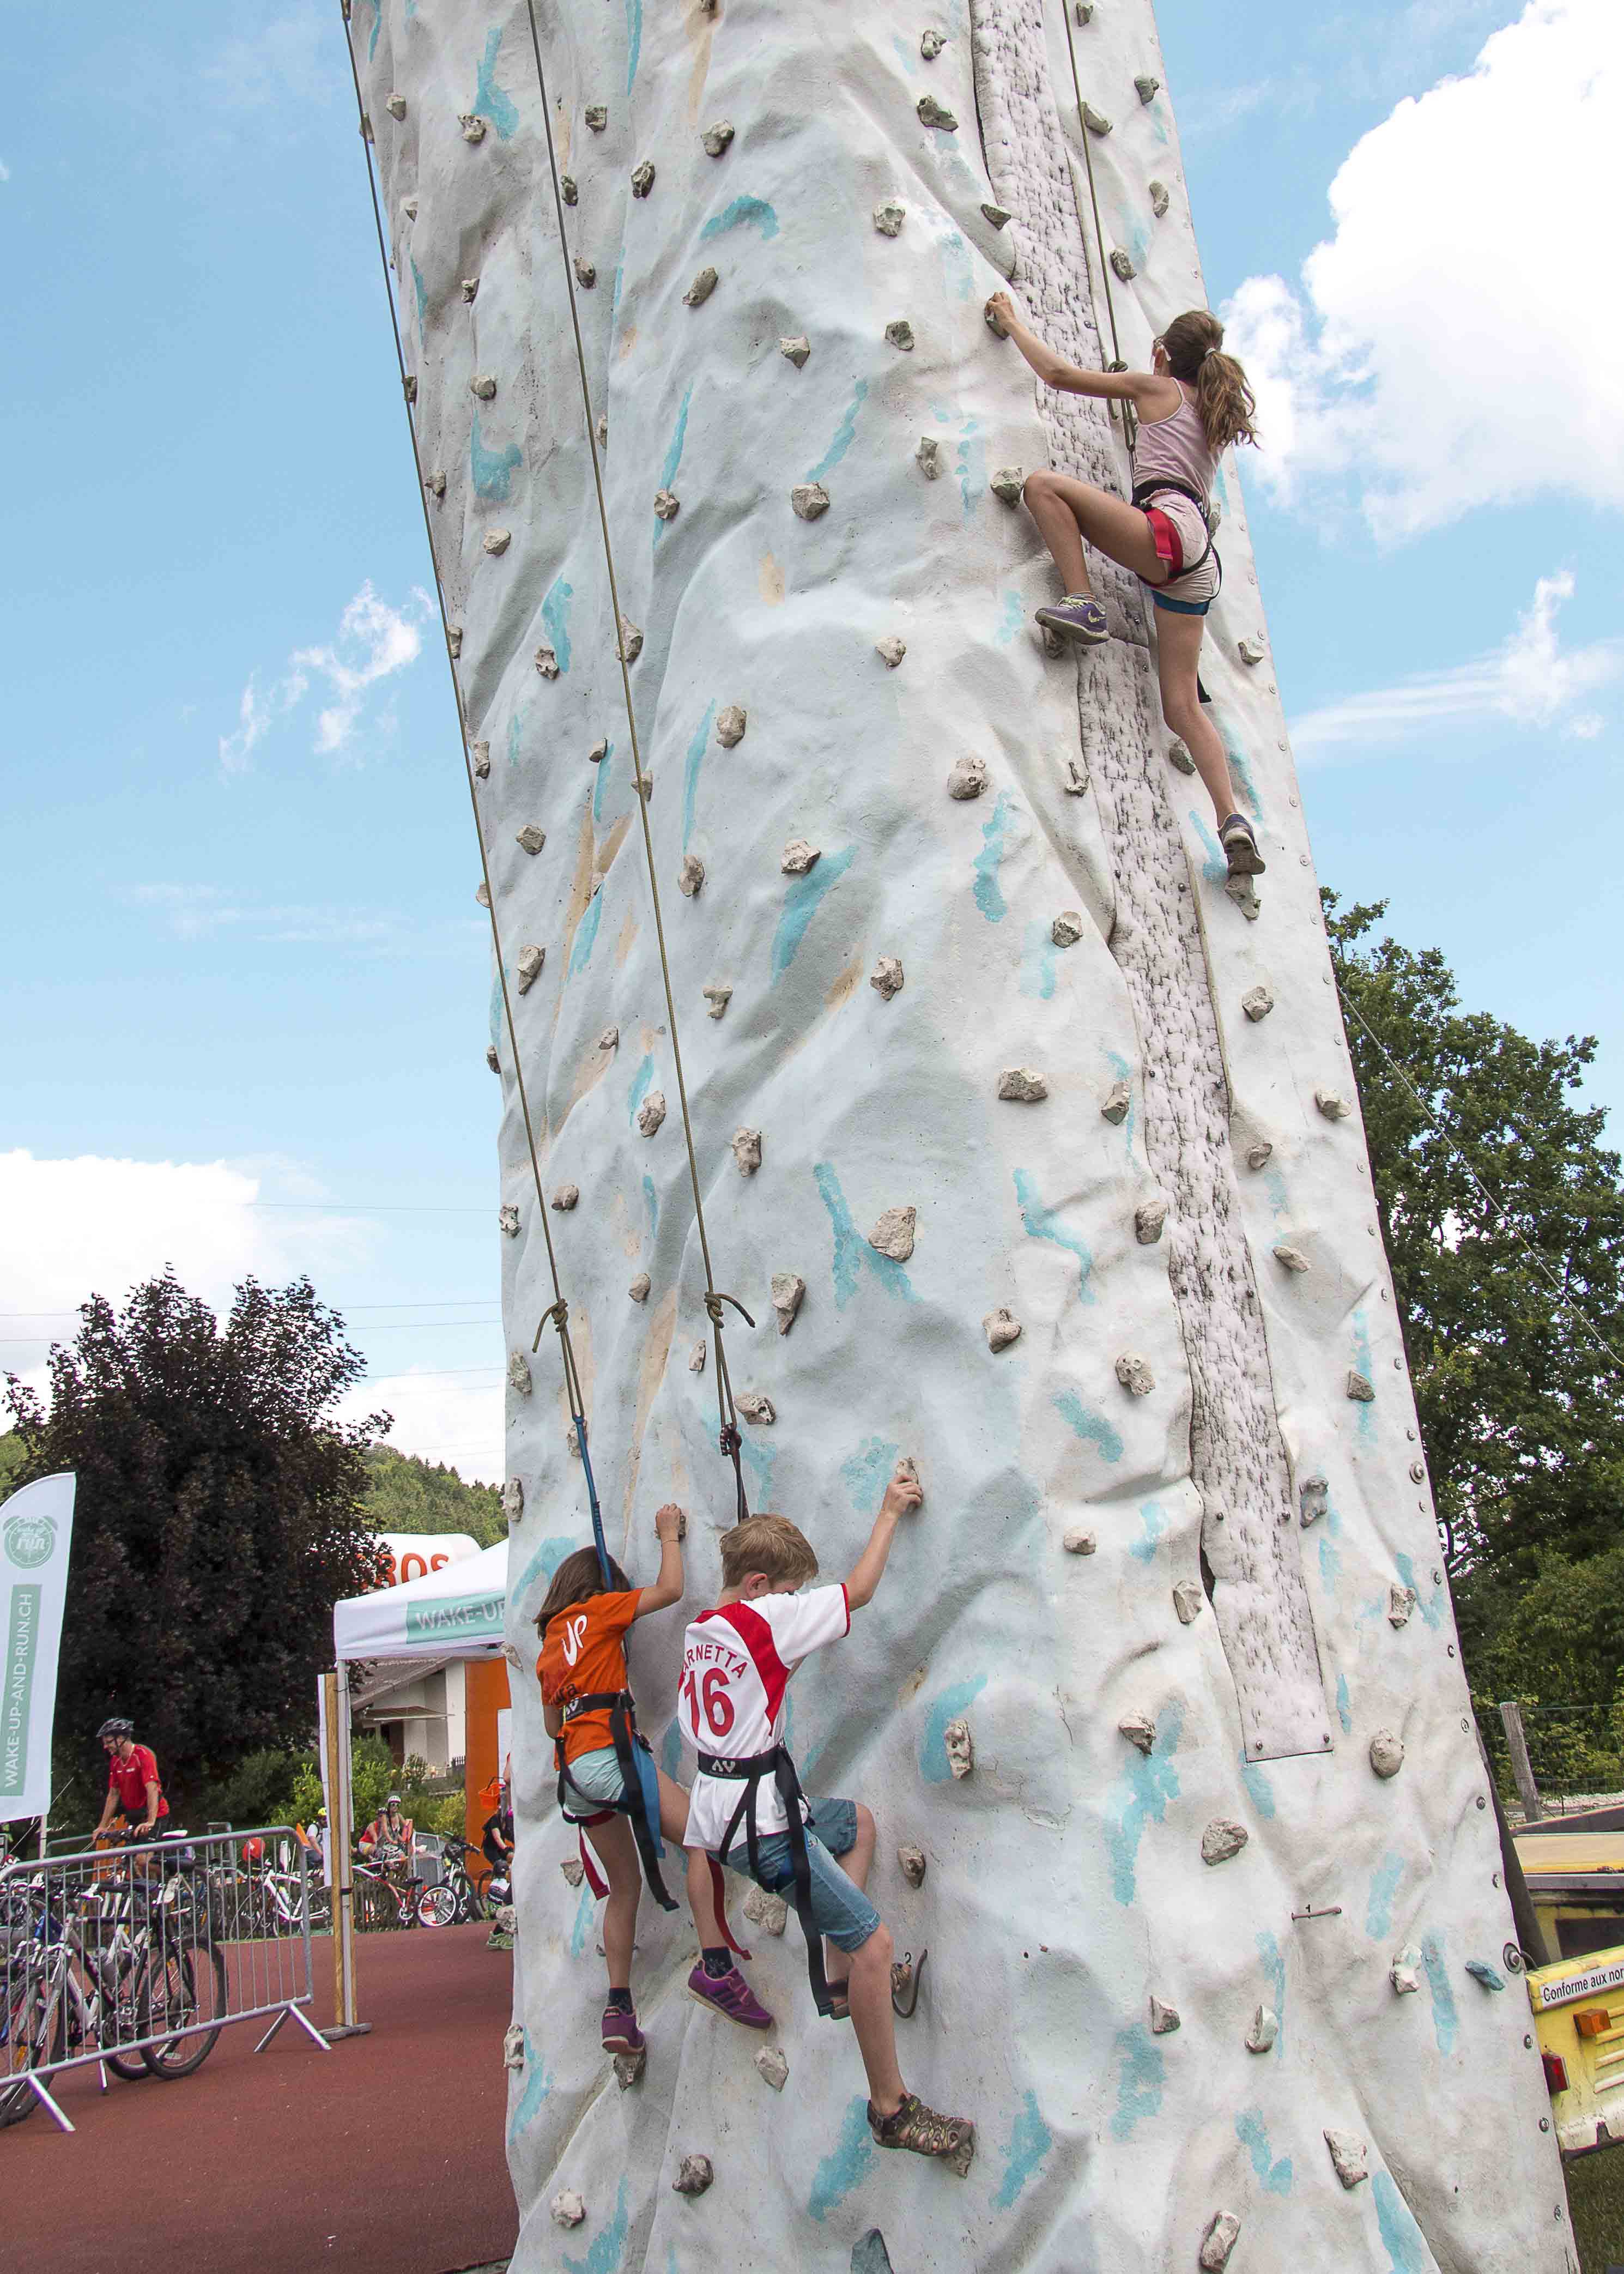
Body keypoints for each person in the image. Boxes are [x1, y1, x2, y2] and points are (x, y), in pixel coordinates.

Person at [677, 1468, 975, 2174]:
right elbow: (861, 1590)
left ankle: (841, 1983)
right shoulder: (766, 1619)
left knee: (858, 1827)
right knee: (877, 1943)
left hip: (727, 1814)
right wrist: (890, 1510)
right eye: (788, 1592)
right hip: (765, 1825)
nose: (796, 1605)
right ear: (757, 1587)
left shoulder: (701, 1630)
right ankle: (891, 2108)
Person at [985, 293, 1266, 881]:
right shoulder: (1207, 413)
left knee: (1043, 486)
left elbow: (1058, 375)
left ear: (1162, 354)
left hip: (1164, 530)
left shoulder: (1155, 389)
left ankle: (1085, 602)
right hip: (1196, 560)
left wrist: (1011, 320)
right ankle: (1232, 820)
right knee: (1182, 708)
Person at [537, 1503, 771, 2060]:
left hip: (574, 1773)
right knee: (700, 1831)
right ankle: (715, 1965)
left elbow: (552, 1725)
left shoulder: (550, 1639)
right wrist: (668, 1533)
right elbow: (669, 1589)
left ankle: (618, 2008)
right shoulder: (601, 1609)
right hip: (613, 1754)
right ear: (601, 1586)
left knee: (625, 1885)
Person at [93, 1717, 168, 1841]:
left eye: (109, 1742)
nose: (105, 1746)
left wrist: (151, 1821)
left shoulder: (143, 1755)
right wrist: (102, 1826)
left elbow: (152, 1789)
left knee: (141, 1859)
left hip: (156, 1814)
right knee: (129, 1858)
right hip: (136, 1816)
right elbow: (113, 1795)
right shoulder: (115, 1761)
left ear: (121, 1739)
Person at [359, 1794, 416, 1877]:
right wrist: (391, 1841)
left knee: (403, 1858)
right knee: (384, 1855)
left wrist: (411, 1835)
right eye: (393, 1805)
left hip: (387, 1846)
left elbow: (401, 1831)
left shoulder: (395, 1819)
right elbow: (381, 1836)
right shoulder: (377, 1823)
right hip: (374, 1845)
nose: (395, 1807)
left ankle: (399, 1875)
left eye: (397, 1805)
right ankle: (379, 1864)